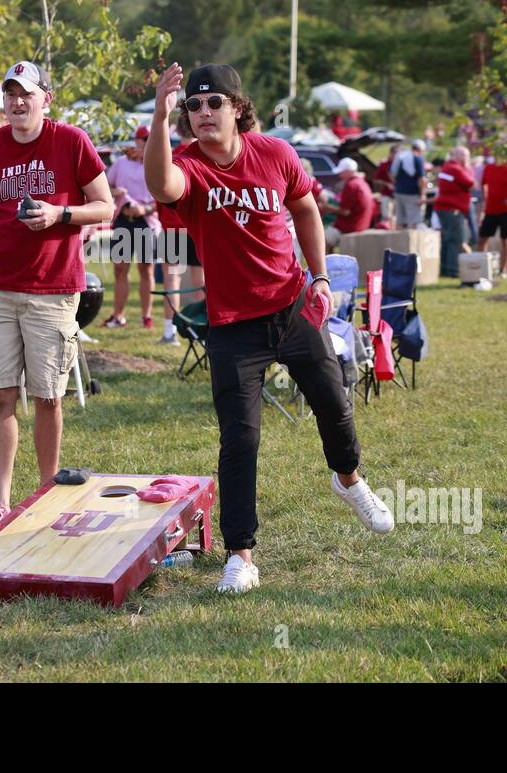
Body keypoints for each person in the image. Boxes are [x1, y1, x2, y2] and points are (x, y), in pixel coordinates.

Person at [145, 62, 393, 596]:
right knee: (241, 438)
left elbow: (305, 208)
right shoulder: (188, 163)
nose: (203, 112)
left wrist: (321, 275)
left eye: (214, 103)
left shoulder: (276, 154)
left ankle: (349, 480)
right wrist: (161, 121)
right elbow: (161, 185)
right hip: (233, 323)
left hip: (292, 304)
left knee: (334, 401)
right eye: (194, 104)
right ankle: (241, 556)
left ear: (238, 107)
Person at [0, 60, 114, 535]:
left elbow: (105, 205)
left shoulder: (71, 142)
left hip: (53, 289)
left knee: (48, 397)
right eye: (10, 94)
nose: (17, 102)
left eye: (26, 94)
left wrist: (60, 215)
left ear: (45, 100)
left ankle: (45, 497)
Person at [102, 126, 160, 330]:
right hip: (123, 221)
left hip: (146, 221)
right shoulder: (121, 163)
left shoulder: (156, 164)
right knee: (120, 269)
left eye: (150, 138)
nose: (147, 142)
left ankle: (147, 317)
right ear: (137, 140)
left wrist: (145, 209)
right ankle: (118, 316)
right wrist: (119, 193)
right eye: (144, 138)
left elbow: (163, 198)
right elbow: (105, 187)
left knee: (146, 270)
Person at [155, 118, 205, 345]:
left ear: (176, 130)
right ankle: (203, 330)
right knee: (200, 283)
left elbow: (159, 193)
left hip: (172, 227)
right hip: (197, 228)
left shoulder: (171, 157)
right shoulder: (204, 156)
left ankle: (169, 332)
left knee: (171, 282)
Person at [433, 146, 475, 278]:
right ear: (459, 156)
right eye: (466, 156)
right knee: (456, 240)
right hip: (452, 209)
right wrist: (467, 167)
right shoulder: (456, 169)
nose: (467, 159)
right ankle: (453, 270)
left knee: (447, 240)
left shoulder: (447, 167)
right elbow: (472, 183)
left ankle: (444, 269)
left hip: (445, 208)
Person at [390, 138, 428, 229]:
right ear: (421, 149)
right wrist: (423, 194)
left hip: (399, 192)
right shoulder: (417, 158)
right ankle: (410, 243)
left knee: (400, 221)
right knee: (413, 221)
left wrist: (399, 184)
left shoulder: (400, 156)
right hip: (412, 194)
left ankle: (398, 241)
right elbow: (422, 179)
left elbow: (392, 174)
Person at [330, 158, 374, 236]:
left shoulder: (351, 185)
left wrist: (327, 207)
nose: (340, 175)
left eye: (341, 172)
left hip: (351, 227)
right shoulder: (362, 182)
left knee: (323, 237)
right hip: (362, 225)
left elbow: (345, 212)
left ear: (348, 171)